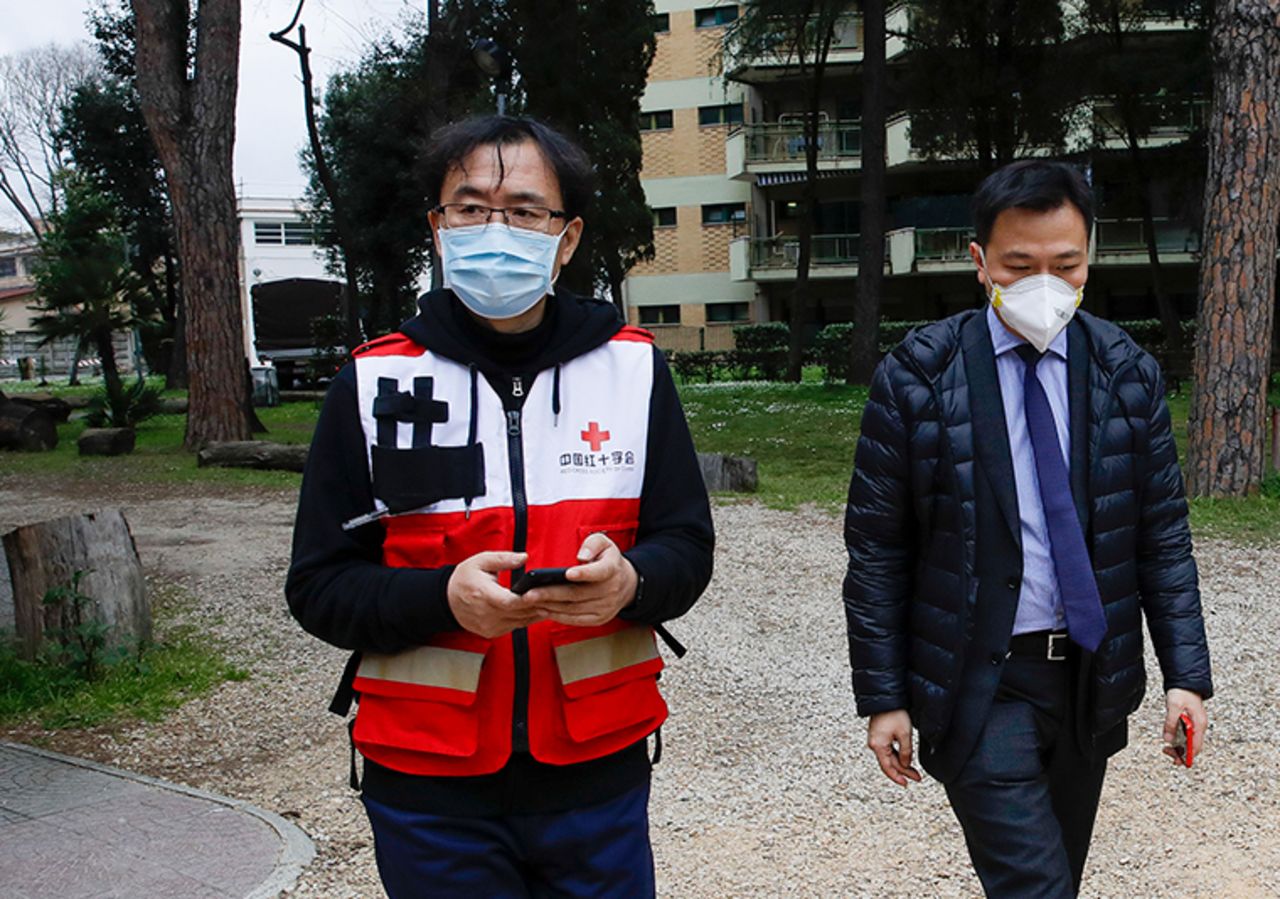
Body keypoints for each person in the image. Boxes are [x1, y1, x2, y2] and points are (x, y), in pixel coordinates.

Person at [286, 115, 714, 898]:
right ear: (437, 227)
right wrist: (438, 597)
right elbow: (317, 585)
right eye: (470, 207)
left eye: (523, 210)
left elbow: (686, 544)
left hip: (596, 775)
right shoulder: (374, 382)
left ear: (568, 236)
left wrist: (634, 584)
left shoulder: (634, 372)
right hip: (427, 787)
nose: (495, 228)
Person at [842, 159, 1213, 897]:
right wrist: (884, 695)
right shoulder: (918, 375)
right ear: (981, 263)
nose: (1045, 282)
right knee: (1035, 887)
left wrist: (1186, 678)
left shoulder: (1126, 374)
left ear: (1089, 260)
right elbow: (878, 549)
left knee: (1055, 881)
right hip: (978, 681)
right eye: (1020, 264)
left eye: (1065, 263)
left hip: (1088, 679)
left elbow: (1161, 534)